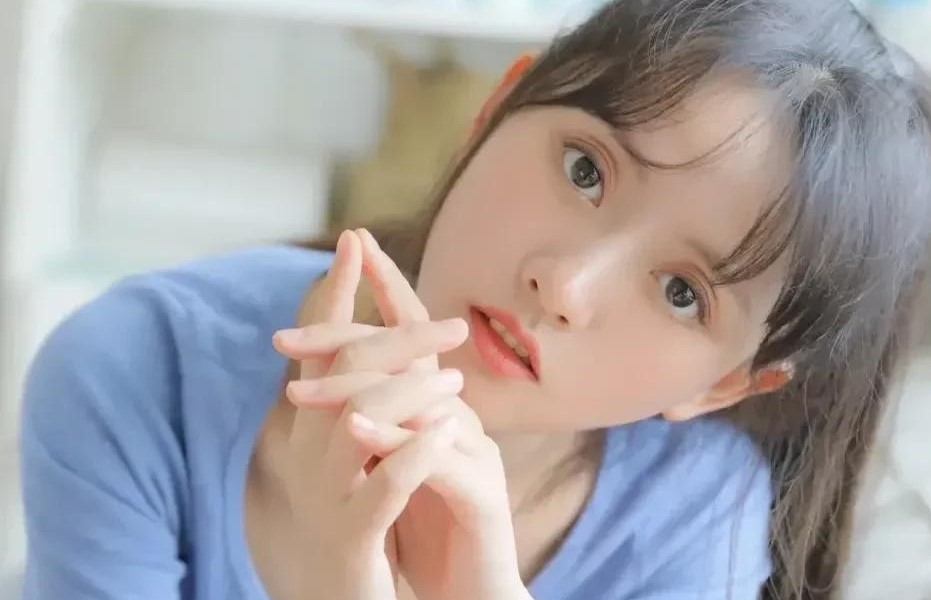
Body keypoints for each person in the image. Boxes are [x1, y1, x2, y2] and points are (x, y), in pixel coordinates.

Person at [18, 0, 931, 598]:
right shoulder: (140, 372)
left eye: (682, 292)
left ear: (724, 385)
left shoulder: (694, 521)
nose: (565, 285)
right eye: (585, 169)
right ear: (493, 113)